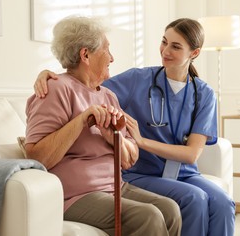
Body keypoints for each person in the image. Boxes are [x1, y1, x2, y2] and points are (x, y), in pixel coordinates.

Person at [34, 18, 235, 236]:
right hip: (142, 173)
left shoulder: (203, 94)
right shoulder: (135, 80)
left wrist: (137, 140)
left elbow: (191, 154)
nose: (165, 50)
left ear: (194, 53)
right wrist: (46, 73)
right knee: (193, 200)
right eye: (164, 42)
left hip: (179, 173)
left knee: (223, 203)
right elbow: (82, 82)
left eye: (176, 46)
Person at [25, 15, 181, 236]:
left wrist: (113, 137)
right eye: (107, 50)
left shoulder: (108, 96)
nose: (112, 58)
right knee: (149, 216)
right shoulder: (56, 90)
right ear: (85, 54)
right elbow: (36, 158)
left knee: (170, 209)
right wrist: (81, 121)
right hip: (76, 195)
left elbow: (129, 159)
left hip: (115, 187)